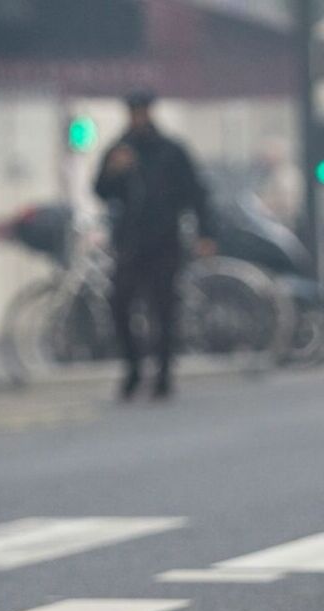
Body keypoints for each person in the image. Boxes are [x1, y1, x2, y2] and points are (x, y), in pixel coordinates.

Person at [93, 90, 218, 402]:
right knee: (119, 304)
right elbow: (101, 190)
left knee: (163, 308)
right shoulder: (120, 150)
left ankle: (162, 373)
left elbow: (196, 193)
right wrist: (114, 170)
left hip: (164, 240)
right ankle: (133, 368)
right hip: (130, 241)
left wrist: (205, 233)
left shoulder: (171, 151)